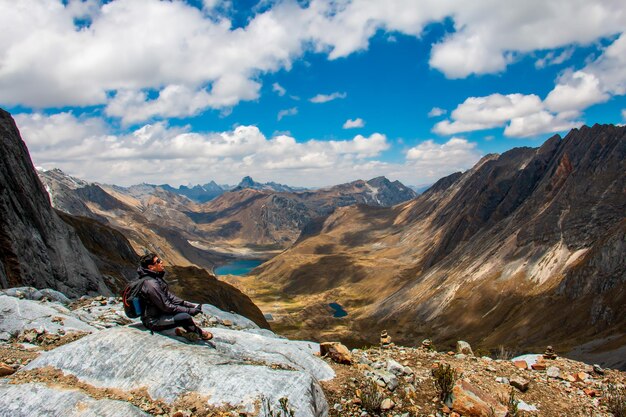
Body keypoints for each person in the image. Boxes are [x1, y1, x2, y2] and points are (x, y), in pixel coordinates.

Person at [137, 253, 213, 342]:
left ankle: (187, 332)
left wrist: (189, 305)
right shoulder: (151, 284)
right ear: (151, 267)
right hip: (153, 321)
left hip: (160, 313)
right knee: (185, 317)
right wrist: (189, 311)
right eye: (158, 261)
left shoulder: (154, 278)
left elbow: (170, 297)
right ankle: (198, 333)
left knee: (182, 315)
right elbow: (166, 306)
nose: (161, 261)